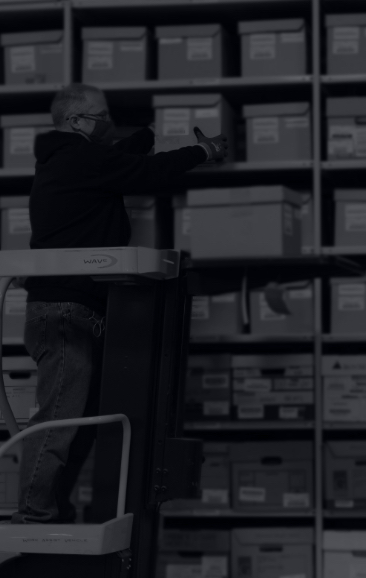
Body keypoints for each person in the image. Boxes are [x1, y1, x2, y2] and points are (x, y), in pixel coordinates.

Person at [12, 83, 228, 524]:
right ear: (75, 120)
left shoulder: (75, 160)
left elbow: (124, 161)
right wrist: (200, 153)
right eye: (99, 115)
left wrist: (147, 136)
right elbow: (142, 174)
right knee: (59, 417)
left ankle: (52, 506)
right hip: (64, 308)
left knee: (82, 420)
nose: (105, 121)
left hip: (73, 309)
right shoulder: (76, 157)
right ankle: (33, 511)